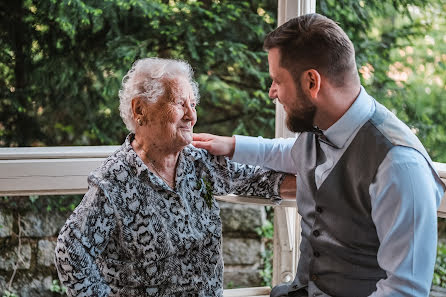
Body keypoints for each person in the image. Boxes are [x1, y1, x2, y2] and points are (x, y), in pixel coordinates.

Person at [192, 13, 445, 297]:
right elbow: (292, 153)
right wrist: (233, 145)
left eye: (278, 80)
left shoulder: (400, 166)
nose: (271, 92)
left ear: (312, 82)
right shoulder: (321, 127)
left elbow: (404, 291)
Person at [54, 57, 296, 297]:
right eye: (180, 104)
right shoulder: (114, 181)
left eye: (193, 105)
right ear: (140, 109)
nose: (192, 116)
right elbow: (71, 250)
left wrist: (325, 183)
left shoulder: (199, 160)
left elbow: (263, 180)